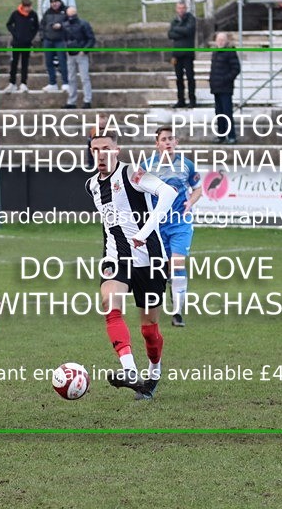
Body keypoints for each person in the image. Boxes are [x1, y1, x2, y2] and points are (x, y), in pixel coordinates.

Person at [85, 130, 176, 400]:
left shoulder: (132, 174)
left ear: (117, 150)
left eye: (106, 148)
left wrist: (144, 232)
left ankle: (154, 372)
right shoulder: (91, 185)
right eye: (95, 149)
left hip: (151, 259)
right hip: (116, 258)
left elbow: (168, 193)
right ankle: (129, 371)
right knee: (110, 307)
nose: (101, 153)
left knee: (149, 329)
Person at [141, 126, 202, 327]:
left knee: (177, 265)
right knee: (162, 268)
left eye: (171, 139)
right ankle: (167, 288)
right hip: (158, 226)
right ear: (157, 144)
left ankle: (177, 313)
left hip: (180, 223)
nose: (168, 142)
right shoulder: (147, 166)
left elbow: (198, 188)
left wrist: (190, 202)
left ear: (176, 142)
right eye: (164, 139)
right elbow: (136, 189)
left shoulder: (186, 165)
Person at [209, 32, 241, 144]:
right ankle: (221, 135)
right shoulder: (215, 52)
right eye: (219, 39)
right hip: (216, 88)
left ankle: (231, 136)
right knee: (219, 113)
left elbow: (236, 69)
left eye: (223, 39)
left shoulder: (230, 52)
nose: (220, 41)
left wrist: (225, 79)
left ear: (226, 41)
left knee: (227, 113)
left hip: (226, 88)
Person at [3, 0, 39, 93]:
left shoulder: (33, 15)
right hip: (16, 43)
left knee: (25, 63)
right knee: (14, 63)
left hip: (26, 44)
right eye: (26, 7)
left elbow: (36, 27)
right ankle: (12, 83)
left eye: (29, 6)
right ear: (22, 6)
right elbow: (9, 24)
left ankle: (23, 83)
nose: (28, 9)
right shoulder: (15, 14)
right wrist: (15, 34)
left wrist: (30, 37)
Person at [62, 7, 95, 109]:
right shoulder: (65, 25)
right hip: (70, 54)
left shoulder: (83, 24)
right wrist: (66, 48)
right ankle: (72, 101)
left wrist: (84, 50)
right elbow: (64, 39)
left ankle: (87, 100)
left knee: (84, 78)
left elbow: (91, 39)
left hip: (81, 54)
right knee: (71, 78)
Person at [168, 0, 196, 108]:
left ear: (186, 8)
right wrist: (181, 31)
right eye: (179, 8)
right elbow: (170, 34)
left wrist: (176, 30)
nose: (181, 10)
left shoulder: (191, 19)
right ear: (176, 9)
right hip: (177, 54)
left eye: (183, 8)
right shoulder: (174, 21)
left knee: (190, 77)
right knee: (178, 78)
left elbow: (188, 31)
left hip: (187, 53)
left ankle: (192, 99)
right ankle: (181, 100)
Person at [40, 0, 68, 92]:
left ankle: (65, 83)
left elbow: (70, 23)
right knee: (49, 63)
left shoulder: (65, 11)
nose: (54, 4)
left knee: (62, 62)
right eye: (52, 2)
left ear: (59, 2)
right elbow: (42, 26)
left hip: (60, 40)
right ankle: (52, 83)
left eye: (55, 2)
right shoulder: (47, 12)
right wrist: (43, 38)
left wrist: (61, 26)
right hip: (48, 40)